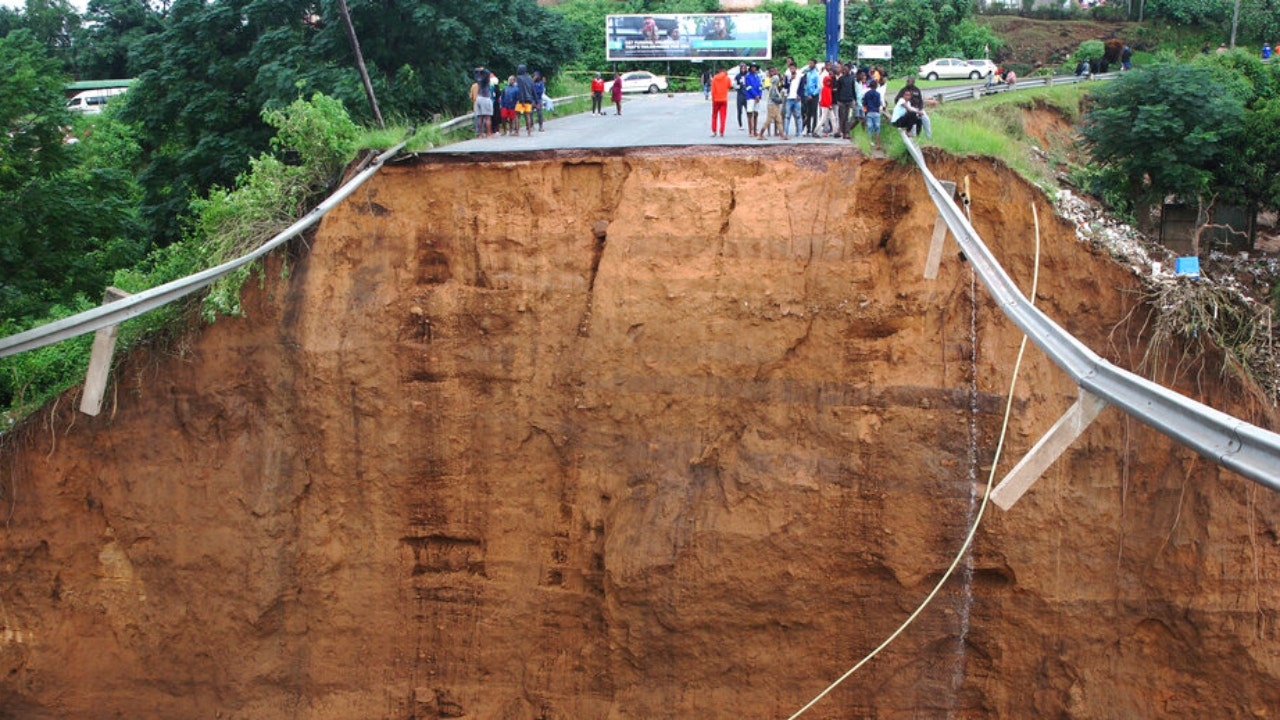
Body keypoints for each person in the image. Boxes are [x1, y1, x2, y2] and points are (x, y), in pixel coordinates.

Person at [763, 66, 787, 140]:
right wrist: (780, 100)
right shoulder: (773, 88)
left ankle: (782, 135)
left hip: (774, 105)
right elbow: (773, 98)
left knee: (779, 120)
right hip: (772, 105)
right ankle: (761, 134)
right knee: (769, 121)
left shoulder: (775, 87)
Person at [515, 64, 536, 136]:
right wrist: (536, 100)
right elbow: (533, 90)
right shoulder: (530, 78)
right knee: (528, 115)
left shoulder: (519, 78)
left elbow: (521, 90)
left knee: (517, 115)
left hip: (522, 100)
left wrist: (522, 100)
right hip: (529, 99)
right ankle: (529, 132)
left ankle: (517, 132)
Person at [862, 79, 883, 151]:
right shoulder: (878, 94)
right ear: (876, 86)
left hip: (869, 112)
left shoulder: (867, 94)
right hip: (876, 112)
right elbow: (878, 104)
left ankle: (868, 142)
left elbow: (864, 103)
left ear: (870, 86)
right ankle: (878, 144)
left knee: (869, 127)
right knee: (877, 128)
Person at [710, 67, 731, 137]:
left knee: (714, 116)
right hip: (724, 100)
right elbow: (729, 86)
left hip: (716, 100)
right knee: (723, 116)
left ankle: (714, 131)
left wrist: (713, 99)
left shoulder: (714, 78)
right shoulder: (727, 78)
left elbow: (712, 90)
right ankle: (721, 132)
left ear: (719, 71)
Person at [472, 67, 493, 139]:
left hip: (478, 98)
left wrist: (477, 70)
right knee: (487, 117)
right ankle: (488, 134)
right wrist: (482, 69)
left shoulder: (478, 78)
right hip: (485, 97)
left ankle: (480, 134)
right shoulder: (485, 79)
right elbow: (487, 72)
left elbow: (474, 71)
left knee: (480, 117)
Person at [785, 63, 803, 139]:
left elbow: (802, 87)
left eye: (793, 68)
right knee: (787, 116)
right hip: (789, 98)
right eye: (790, 68)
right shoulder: (787, 76)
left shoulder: (800, 76)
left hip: (796, 98)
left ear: (796, 68)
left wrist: (800, 95)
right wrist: (790, 80)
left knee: (798, 116)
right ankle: (786, 132)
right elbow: (785, 86)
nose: (791, 70)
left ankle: (799, 132)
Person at [744, 64, 763, 137]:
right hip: (750, 97)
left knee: (756, 113)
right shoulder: (748, 77)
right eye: (752, 67)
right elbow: (748, 87)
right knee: (750, 114)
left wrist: (759, 95)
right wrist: (755, 95)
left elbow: (760, 86)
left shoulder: (758, 77)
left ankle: (755, 130)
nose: (754, 68)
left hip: (757, 97)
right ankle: (750, 131)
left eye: (755, 67)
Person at [734, 62, 748, 129]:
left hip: (747, 95)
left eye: (744, 68)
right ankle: (740, 125)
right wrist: (740, 86)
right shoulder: (737, 76)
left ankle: (750, 124)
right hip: (740, 95)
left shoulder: (748, 75)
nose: (743, 69)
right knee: (739, 111)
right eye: (742, 68)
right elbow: (734, 85)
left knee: (749, 111)